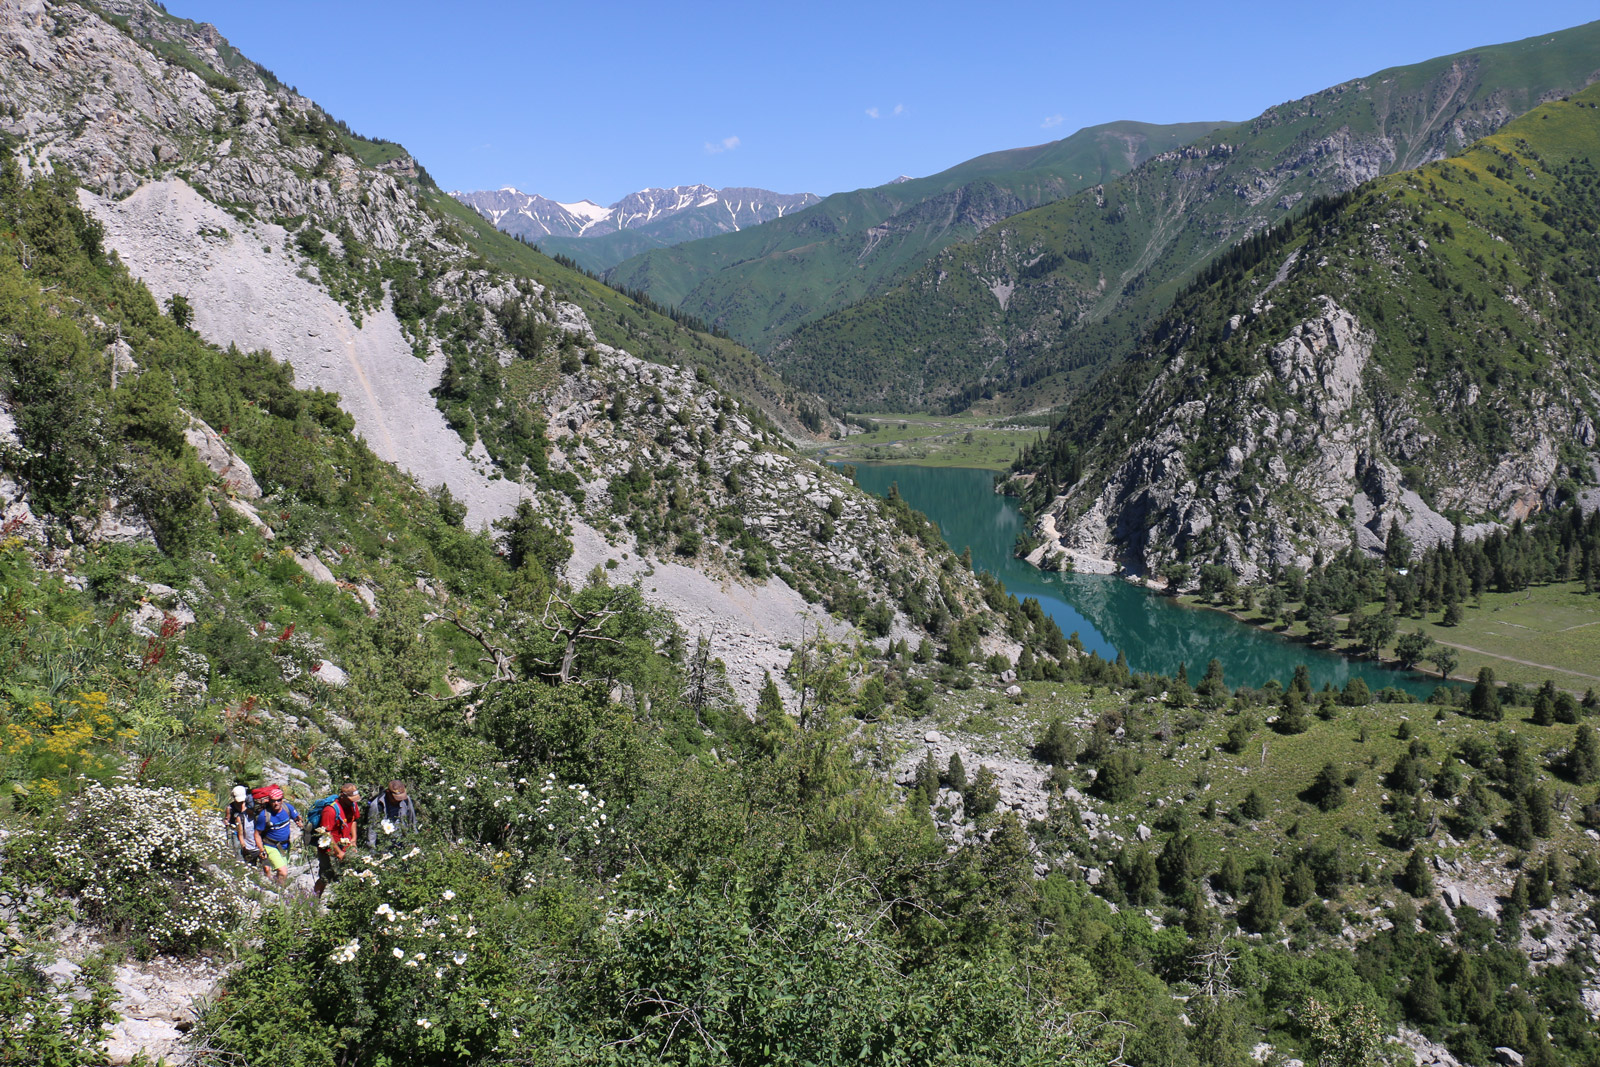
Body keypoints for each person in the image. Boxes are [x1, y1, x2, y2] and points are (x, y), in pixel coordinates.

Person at [314, 783, 361, 897]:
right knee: (326, 876)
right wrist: (338, 852)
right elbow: (326, 833)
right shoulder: (330, 810)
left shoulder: (353, 805)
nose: (353, 802)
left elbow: (353, 820)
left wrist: (353, 839)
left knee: (353, 872)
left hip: (347, 845)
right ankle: (314, 898)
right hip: (329, 848)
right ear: (342, 796)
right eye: (350, 799)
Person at [252, 784, 303, 885]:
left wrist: (298, 821)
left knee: (282, 872)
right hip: (271, 846)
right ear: (269, 801)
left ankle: (276, 887)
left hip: (285, 846)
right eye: (273, 801)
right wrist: (261, 850)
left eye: (278, 800)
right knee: (283, 872)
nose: (276, 803)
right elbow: (257, 834)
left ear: (282, 800)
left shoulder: (287, 808)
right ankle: (279, 891)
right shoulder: (264, 815)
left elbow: (296, 816)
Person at [366, 779, 418, 850]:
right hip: (384, 844)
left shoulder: (406, 799)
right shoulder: (377, 805)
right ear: (388, 792)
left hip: (402, 841)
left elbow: (412, 820)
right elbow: (372, 828)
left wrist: (414, 841)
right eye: (396, 798)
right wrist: (372, 849)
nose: (399, 800)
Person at [224, 785, 256, 863]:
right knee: (237, 849)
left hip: (247, 830)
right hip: (235, 832)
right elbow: (227, 819)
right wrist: (226, 822)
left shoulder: (248, 805)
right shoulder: (230, 808)